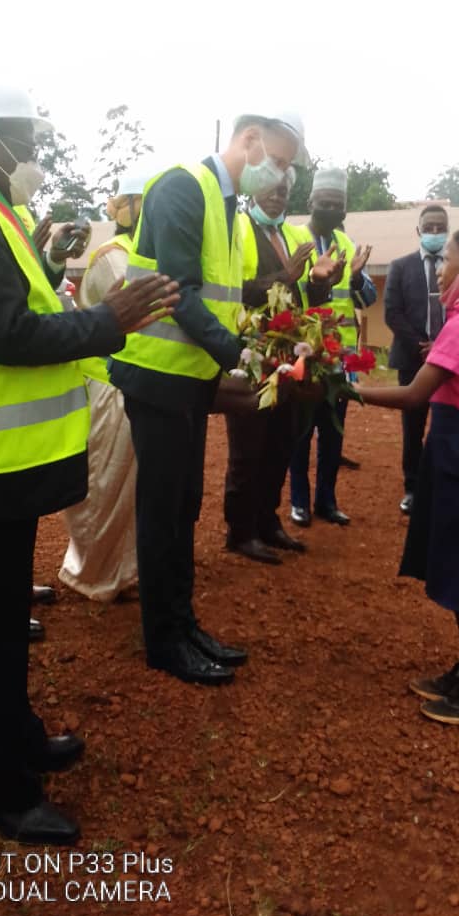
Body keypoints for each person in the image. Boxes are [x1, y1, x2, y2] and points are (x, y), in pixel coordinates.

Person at [0, 70, 178, 843]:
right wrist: (109, 321)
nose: (32, 155)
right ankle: (0, 790)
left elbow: (18, 309)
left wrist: (72, 294)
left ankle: (15, 735)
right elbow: (9, 334)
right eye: (23, 141)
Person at [111, 113, 305, 685]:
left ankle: (183, 623)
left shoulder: (227, 206)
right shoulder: (182, 187)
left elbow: (221, 297)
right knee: (164, 510)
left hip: (190, 379)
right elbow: (178, 292)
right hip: (158, 377)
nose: (281, 175)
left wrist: (249, 346)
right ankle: (163, 639)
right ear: (249, 140)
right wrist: (240, 354)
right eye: (279, 160)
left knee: (184, 505)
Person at [356, 225, 459, 726]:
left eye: (447, 259)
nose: (440, 268)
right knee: (457, 559)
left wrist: (348, 392)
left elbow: (413, 396)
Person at [223, 175, 330, 564]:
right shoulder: (236, 229)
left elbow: (300, 295)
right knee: (248, 445)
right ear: (254, 188)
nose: (277, 195)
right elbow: (232, 289)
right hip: (251, 354)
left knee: (281, 442)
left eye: (284, 189)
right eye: (270, 187)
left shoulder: (293, 235)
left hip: (288, 353)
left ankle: (267, 521)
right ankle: (241, 531)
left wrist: (320, 283)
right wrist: (283, 276)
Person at [58, 166, 150, 600]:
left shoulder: (143, 251)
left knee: (127, 484)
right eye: (145, 204)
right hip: (108, 383)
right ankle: (91, 573)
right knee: (105, 481)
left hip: (131, 381)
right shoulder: (115, 255)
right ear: (126, 207)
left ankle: (120, 571)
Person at [288, 166, 375, 528]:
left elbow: (368, 297)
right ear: (310, 201)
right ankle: (299, 502)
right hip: (304, 354)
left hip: (340, 359)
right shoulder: (293, 237)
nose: (330, 209)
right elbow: (288, 293)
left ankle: (327, 500)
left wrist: (355, 279)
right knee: (300, 432)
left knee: (333, 433)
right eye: (324, 202)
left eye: (337, 204)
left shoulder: (348, 244)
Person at [384, 204, 449, 515]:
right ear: (418, 231)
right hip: (412, 359)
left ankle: (442, 485)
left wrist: (443, 346)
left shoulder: (458, 267)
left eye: (440, 227)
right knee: (413, 428)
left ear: (448, 230)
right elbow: (392, 312)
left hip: (450, 362)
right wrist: (422, 345)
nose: (434, 232)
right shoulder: (400, 267)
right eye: (429, 227)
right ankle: (413, 488)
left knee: (446, 426)